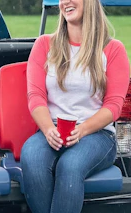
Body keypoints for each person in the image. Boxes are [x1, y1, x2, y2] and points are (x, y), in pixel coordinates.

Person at [20, 0, 130, 212]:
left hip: (96, 134)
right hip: (51, 129)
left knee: (70, 165)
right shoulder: (44, 45)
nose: (66, 2)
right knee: (32, 157)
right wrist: (48, 129)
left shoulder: (113, 49)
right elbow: (35, 96)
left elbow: (114, 106)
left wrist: (81, 130)